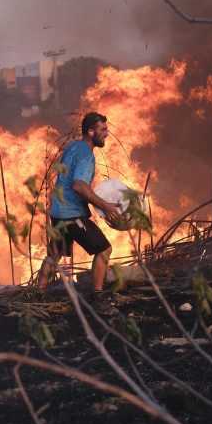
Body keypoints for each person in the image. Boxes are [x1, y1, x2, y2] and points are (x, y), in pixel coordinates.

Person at [37, 112, 122, 297]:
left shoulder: (73, 146)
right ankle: (98, 295)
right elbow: (79, 186)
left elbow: (69, 181)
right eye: (103, 129)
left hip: (58, 210)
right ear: (91, 132)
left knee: (55, 253)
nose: (106, 133)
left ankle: (38, 292)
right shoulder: (86, 155)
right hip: (71, 214)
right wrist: (106, 207)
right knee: (104, 249)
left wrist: (100, 203)